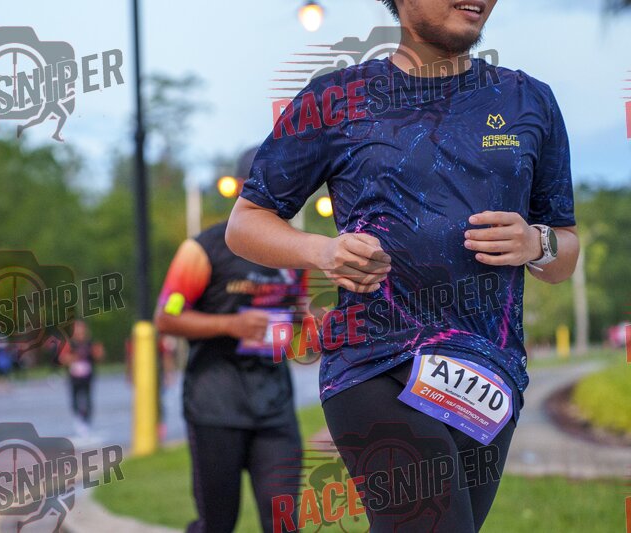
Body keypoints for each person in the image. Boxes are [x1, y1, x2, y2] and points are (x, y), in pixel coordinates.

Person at [225, 1, 579, 531]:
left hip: (489, 376)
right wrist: (323, 251)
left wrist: (537, 242)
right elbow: (245, 223)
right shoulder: (335, 99)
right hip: (376, 364)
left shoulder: (530, 101)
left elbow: (563, 253)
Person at [154, 147, 307, 533]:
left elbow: (299, 318)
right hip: (215, 405)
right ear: (242, 188)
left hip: (274, 406)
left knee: (284, 520)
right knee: (218, 523)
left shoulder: (295, 252)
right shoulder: (203, 249)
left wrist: (312, 325)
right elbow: (166, 318)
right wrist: (230, 325)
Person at [58, 319, 104, 437]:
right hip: (74, 378)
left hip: (88, 377)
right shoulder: (70, 344)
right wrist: (73, 358)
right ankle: (78, 419)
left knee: (88, 401)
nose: (80, 332)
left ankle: (87, 422)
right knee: (75, 401)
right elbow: (62, 359)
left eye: (82, 329)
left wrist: (97, 353)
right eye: (77, 329)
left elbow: (99, 356)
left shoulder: (90, 343)